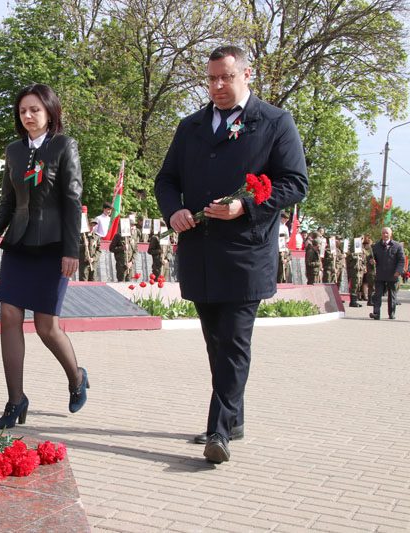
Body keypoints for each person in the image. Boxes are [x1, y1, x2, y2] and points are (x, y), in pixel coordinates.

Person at [154, 45, 308, 464]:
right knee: (216, 343)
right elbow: (166, 180)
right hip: (201, 252)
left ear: (246, 74)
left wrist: (247, 205)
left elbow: (295, 182)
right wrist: (175, 211)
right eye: (211, 79)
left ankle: (218, 431)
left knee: (236, 342)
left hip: (245, 251)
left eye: (226, 77)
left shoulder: (275, 122)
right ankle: (234, 418)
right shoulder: (190, 126)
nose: (218, 86)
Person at [0, 83, 88, 429]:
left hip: (54, 247)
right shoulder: (14, 151)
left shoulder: (64, 146)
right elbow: (9, 202)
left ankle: (76, 377)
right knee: (9, 317)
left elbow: (73, 201)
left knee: (46, 327)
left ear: (49, 112)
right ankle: (16, 400)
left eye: (35, 110)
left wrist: (72, 250)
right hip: (19, 244)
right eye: (23, 111)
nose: (28, 116)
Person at [369, 227, 405, 320]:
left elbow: (401, 260)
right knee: (378, 294)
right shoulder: (376, 246)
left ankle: (391, 313)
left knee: (392, 295)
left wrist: (398, 271)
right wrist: (371, 261)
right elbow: (371, 258)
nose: (385, 235)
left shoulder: (397, 246)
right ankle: (376, 313)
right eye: (383, 233)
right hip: (380, 274)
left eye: (387, 233)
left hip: (393, 274)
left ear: (390, 234)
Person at [346, 242, 365, 308]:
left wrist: (363, 268)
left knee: (358, 285)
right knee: (354, 285)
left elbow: (363, 262)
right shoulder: (351, 253)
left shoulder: (361, 252)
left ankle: (355, 300)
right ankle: (352, 301)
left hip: (359, 271)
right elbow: (348, 260)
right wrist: (354, 256)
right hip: (354, 271)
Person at [362, 234, 375, 303]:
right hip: (368, 269)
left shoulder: (371, 250)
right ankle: (366, 297)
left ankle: (369, 298)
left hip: (370, 269)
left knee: (369, 284)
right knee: (367, 283)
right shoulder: (366, 251)